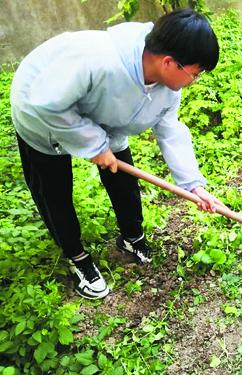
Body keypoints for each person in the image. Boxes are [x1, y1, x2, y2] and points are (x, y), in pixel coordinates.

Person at [10, 9, 224, 300]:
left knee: (121, 175)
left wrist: (193, 186)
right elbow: (46, 104)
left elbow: (170, 130)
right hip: (42, 107)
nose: (193, 81)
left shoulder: (167, 87)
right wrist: (95, 144)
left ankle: (131, 237)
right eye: (194, 74)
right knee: (54, 190)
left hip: (105, 111)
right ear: (169, 62)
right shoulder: (99, 60)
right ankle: (77, 257)